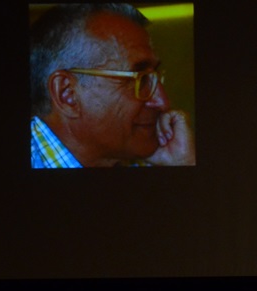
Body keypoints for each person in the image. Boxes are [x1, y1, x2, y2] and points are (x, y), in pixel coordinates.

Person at [29, 4, 195, 168]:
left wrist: (184, 165)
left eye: (155, 78)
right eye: (140, 80)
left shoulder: (144, 160)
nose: (163, 102)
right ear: (67, 94)